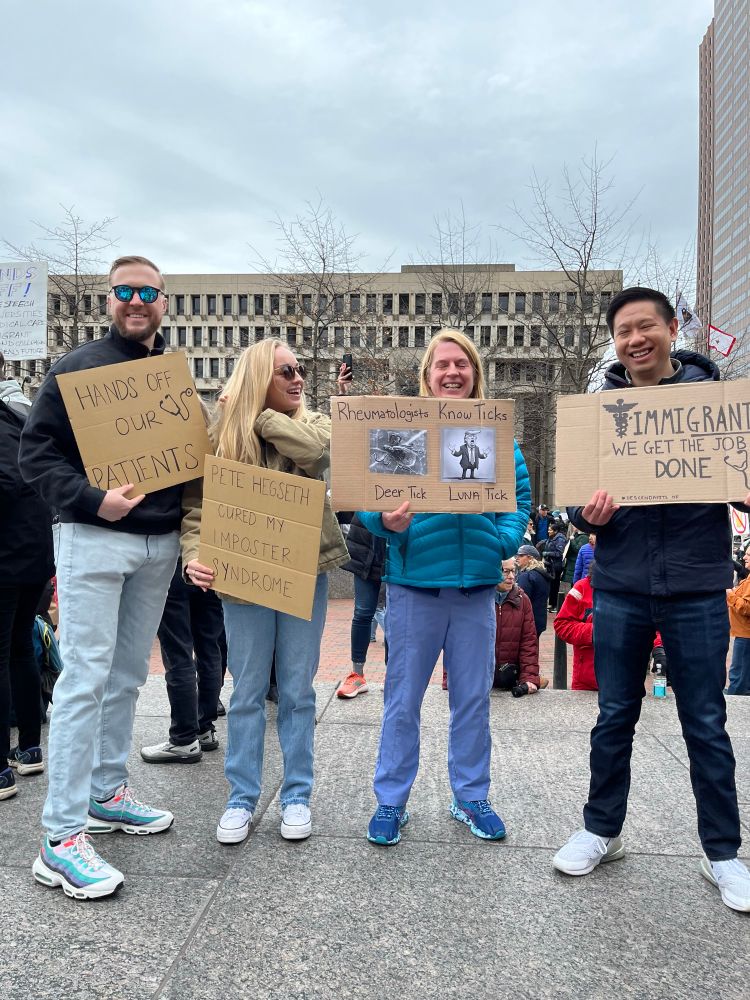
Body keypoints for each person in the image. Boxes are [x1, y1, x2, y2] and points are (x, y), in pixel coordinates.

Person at [552, 286, 750, 913]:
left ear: (670, 330)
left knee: (707, 724)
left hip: (695, 588)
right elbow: (573, 508)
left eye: (646, 327)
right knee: (614, 717)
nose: (634, 340)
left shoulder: (715, 408)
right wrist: (587, 515)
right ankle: (601, 829)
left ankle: (722, 852)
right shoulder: (598, 411)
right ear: (615, 343)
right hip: (621, 588)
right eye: (622, 331)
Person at [20, 255, 182, 900]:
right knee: (85, 675)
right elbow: (36, 453)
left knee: (127, 674)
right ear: (108, 299)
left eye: (147, 291)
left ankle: (105, 792)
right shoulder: (74, 369)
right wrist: (92, 500)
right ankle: (59, 838)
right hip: (92, 537)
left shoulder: (169, 376)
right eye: (124, 292)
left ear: (163, 301)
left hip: (158, 543)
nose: (135, 301)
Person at [358, 329, 531, 846]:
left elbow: (518, 498)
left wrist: (500, 539)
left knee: (474, 700)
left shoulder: (497, 435)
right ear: (427, 376)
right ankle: (391, 801)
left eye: (462, 364)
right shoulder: (404, 432)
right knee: (401, 700)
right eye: (442, 365)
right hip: (415, 588)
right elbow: (370, 501)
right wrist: (384, 521)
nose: (452, 372)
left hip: (477, 589)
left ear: (474, 374)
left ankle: (471, 796)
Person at [182, 339, 349, 846]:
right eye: (285, 372)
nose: (298, 378)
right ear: (258, 376)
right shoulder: (218, 436)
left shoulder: (315, 422)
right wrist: (194, 554)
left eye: (299, 370)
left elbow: (318, 454)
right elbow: (196, 504)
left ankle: (296, 795)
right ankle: (241, 798)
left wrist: (260, 416)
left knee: (298, 690)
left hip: (305, 570)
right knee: (248, 691)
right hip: (242, 575)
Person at [0, 387, 54, 800]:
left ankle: (1, 769)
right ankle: (30, 747)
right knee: (20, 647)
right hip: (35, 554)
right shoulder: (20, 418)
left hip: (7, 556)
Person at [140, 558, 224, 762]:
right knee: (209, 648)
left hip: (175, 562)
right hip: (211, 564)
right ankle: (204, 728)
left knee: (178, 653)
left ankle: (184, 738)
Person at [336, 513, 386, 699]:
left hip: (395, 549)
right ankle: (357, 674)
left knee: (396, 616)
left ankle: (393, 675)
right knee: (363, 613)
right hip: (365, 549)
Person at [493, 560, 548, 696]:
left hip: (510, 681)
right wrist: (451, 681)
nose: (511, 576)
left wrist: (529, 677)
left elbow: (528, 642)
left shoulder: (523, 600)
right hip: (479, 682)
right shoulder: (477, 600)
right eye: (505, 571)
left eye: (513, 571)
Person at [726, 546, 750, 695]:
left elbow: (747, 607)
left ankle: (734, 697)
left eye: (748, 554)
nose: (745, 557)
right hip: (743, 634)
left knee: (739, 676)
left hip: (746, 636)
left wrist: (730, 594)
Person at [515, 544, 552, 639]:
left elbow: (520, 600)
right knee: (532, 650)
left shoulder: (527, 576)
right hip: (539, 620)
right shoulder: (542, 574)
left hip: (527, 622)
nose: (517, 558)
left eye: (521, 555)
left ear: (530, 558)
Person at [544, 520, 566, 611]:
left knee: (554, 586)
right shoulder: (551, 538)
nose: (548, 531)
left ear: (555, 531)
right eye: (548, 530)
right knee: (551, 585)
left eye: (550, 530)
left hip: (556, 566)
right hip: (550, 565)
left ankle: (554, 605)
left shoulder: (560, 539)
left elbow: (559, 553)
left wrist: (547, 553)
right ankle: (551, 604)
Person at [560, 525, 587, 596]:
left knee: (574, 584)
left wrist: (572, 540)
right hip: (571, 563)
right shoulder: (576, 535)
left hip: (574, 563)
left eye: (574, 526)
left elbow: (577, 549)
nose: (573, 527)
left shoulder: (584, 537)